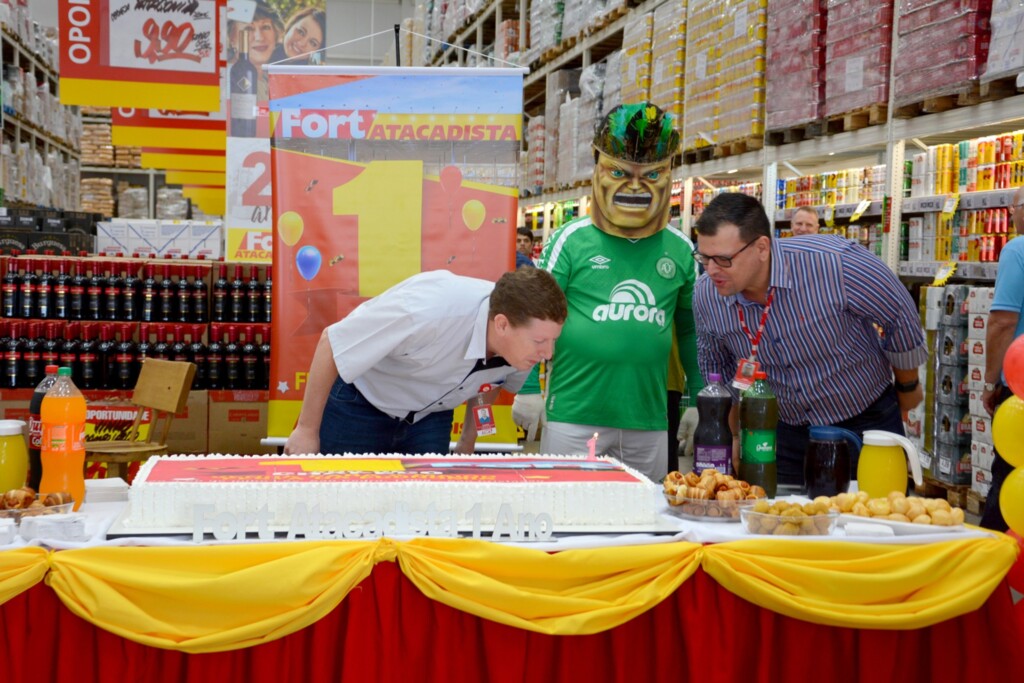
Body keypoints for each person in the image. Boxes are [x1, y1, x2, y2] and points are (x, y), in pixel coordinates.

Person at [511, 102, 703, 482]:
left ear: (669, 175)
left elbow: (690, 329)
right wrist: (529, 385)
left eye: (652, 175)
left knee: (645, 529)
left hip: (647, 421)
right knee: (567, 516)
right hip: (574, 416)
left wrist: (697, 396)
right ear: (597, 167)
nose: (634, 186)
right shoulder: (570, 240)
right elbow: (533, 311)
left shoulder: (681, 249)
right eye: (619, 172)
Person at [692, 192, 927, 485]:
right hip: (782, 430)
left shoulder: (836, 263)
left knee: (873, 518)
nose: (711, 270)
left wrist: (907, 386)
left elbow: (899, 313)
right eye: (703, 257)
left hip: (865, 421)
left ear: (762, 248)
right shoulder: (706, 295)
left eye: (723, 259)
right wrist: (734, 437)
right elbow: (719, 369)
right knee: (786, 520)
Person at [284, 268, 567, 456]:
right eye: (541, 342)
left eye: (553, 340)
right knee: (343, 505)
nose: (548, 353)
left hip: (430, 416)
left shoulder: (526, 342)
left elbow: (490, 384)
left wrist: (467, 443)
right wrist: (306, 431)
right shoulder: (427, 311)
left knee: (426, 510)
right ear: (502, 325)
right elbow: (333, 343)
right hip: (361, 406)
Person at [980, 185, 1024, 531]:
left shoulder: (1017, 249)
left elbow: (1002, 322)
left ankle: (986, 571)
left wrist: (990, 381)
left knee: (1009, 481)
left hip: (1021, 394)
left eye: (1014, 208)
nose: (1010, 216)